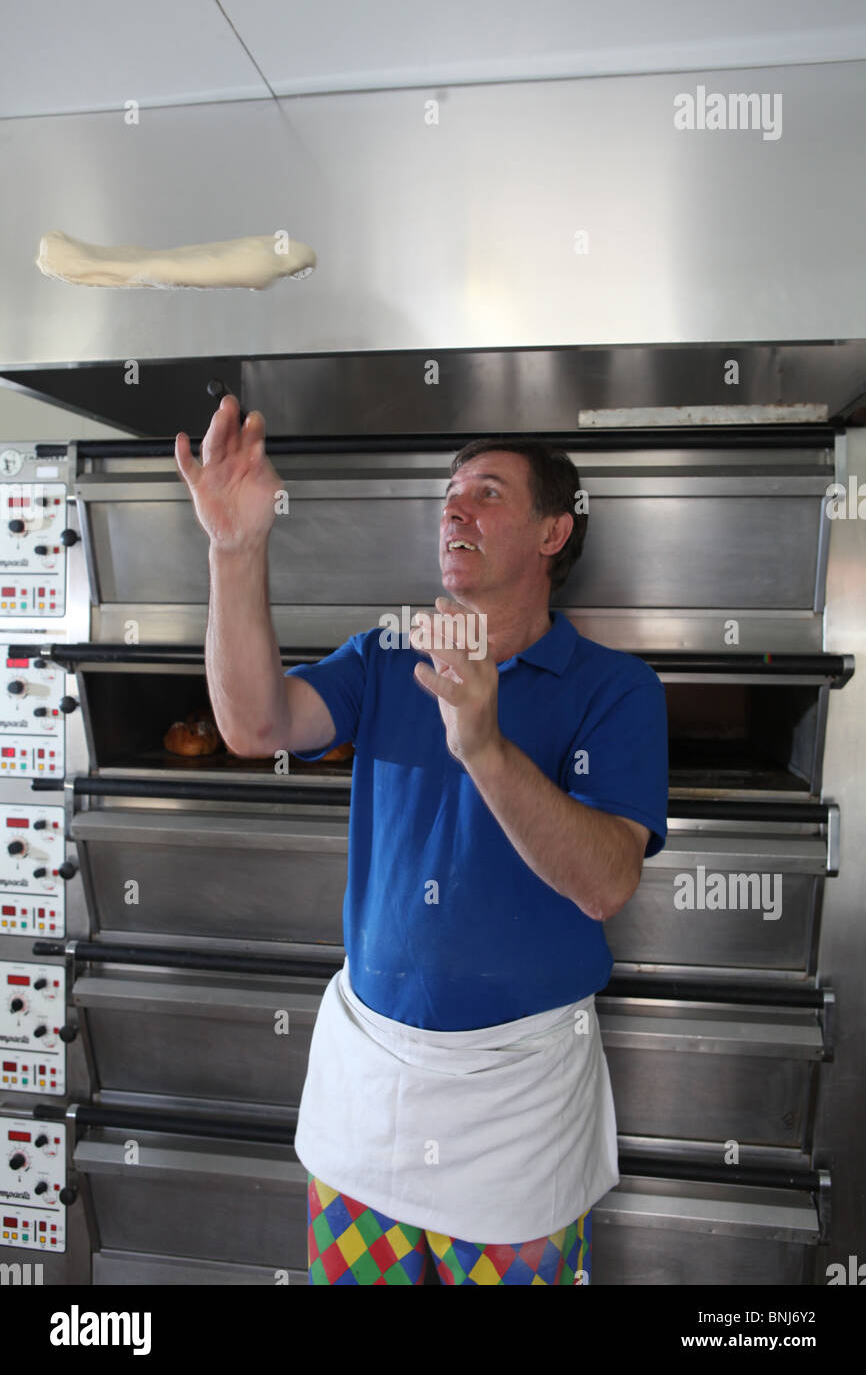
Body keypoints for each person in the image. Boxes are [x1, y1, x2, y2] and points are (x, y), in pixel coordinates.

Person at [175, 396, 669, 1286]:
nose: (454, 510)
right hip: (370, 1104)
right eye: (448, 494)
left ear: (555, 532)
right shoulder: (385, 654)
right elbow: (255, 724)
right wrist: (235, 549)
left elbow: (605, 883)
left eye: (486, 492)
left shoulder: (615, 689)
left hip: (518, 1119)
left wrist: (484, 747)